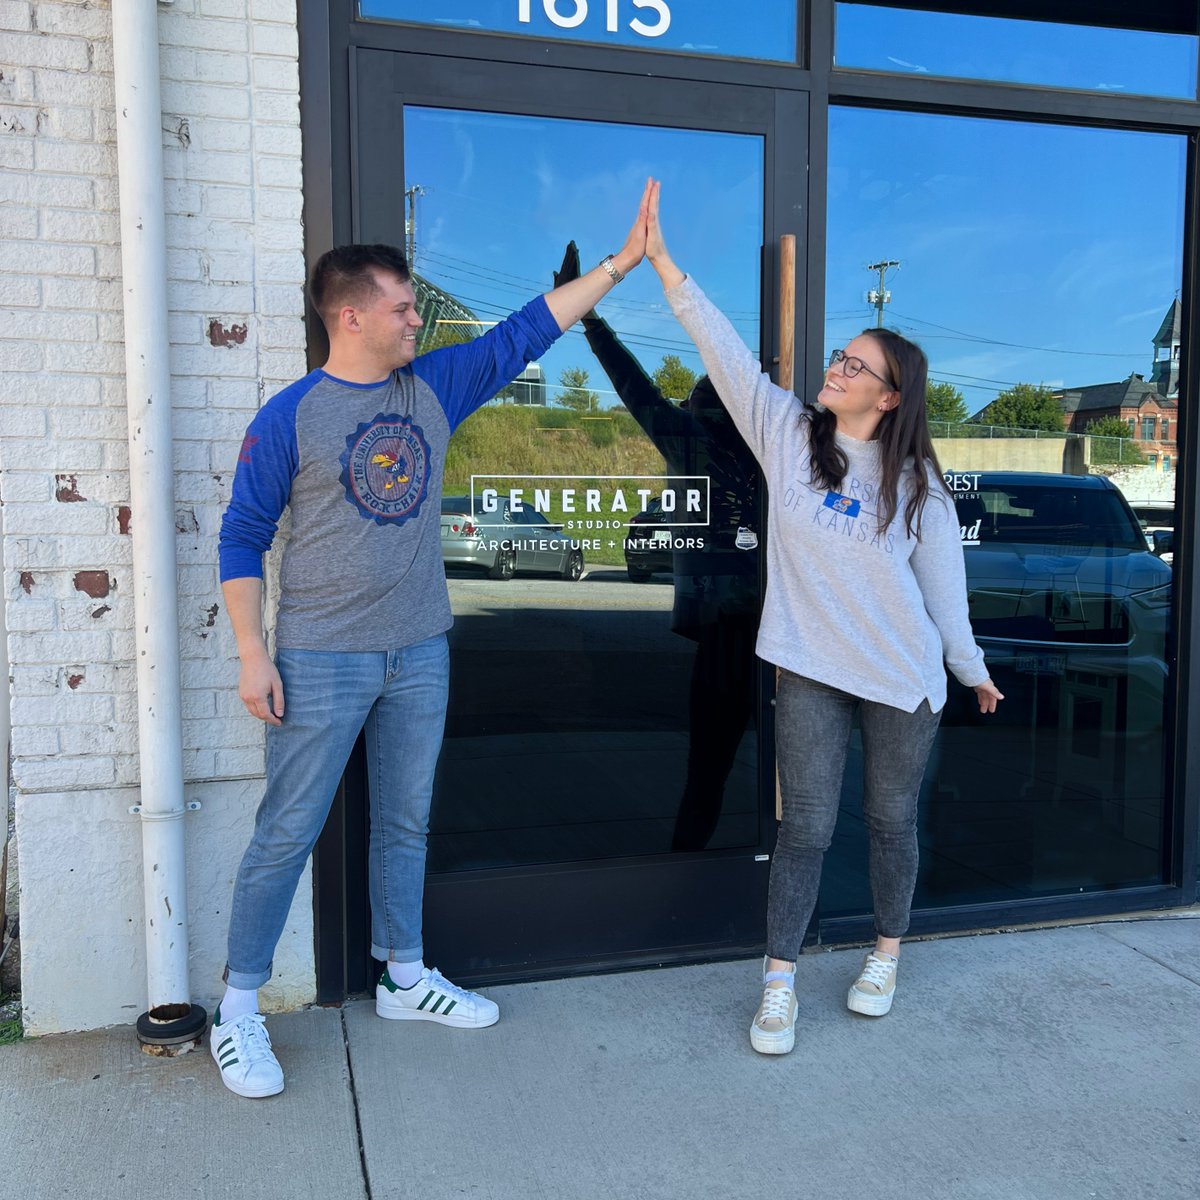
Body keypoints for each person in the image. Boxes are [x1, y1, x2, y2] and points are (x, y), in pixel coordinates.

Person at [212, 182, 653, 1098]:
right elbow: (241, 535)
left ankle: (404, 977)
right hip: (319, 659)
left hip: (420, 650)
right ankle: (239, 1010)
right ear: (350, 315)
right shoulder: (290, 415)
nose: (418, 318)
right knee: (286, 831)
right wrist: (254, 654)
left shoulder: (436, 388)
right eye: (404, 307)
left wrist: (618, 263)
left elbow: (526, 332)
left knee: (406, 822)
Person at [640, 180, 1004, 1055]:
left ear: (890, 398)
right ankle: (779, 983)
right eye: (837, 357)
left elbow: (944, 598)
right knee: (802, 825)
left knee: (887, 823)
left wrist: (970, 668)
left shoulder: (918, 489)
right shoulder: (787, 436)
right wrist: (665, 269)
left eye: (853, 366)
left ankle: (883, 954)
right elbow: (725, 355)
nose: (834, 370)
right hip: (807, 664)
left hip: (900, 677)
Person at [553, 241, 761, 851]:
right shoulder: (776, 438)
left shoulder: (696, 441)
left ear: (703, 408)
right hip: (781, 624)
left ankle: (687, 867)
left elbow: (635, 388)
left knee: (706, 774)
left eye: (695, 400)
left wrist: (590, 317)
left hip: (728, 627)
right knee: (785, 776)